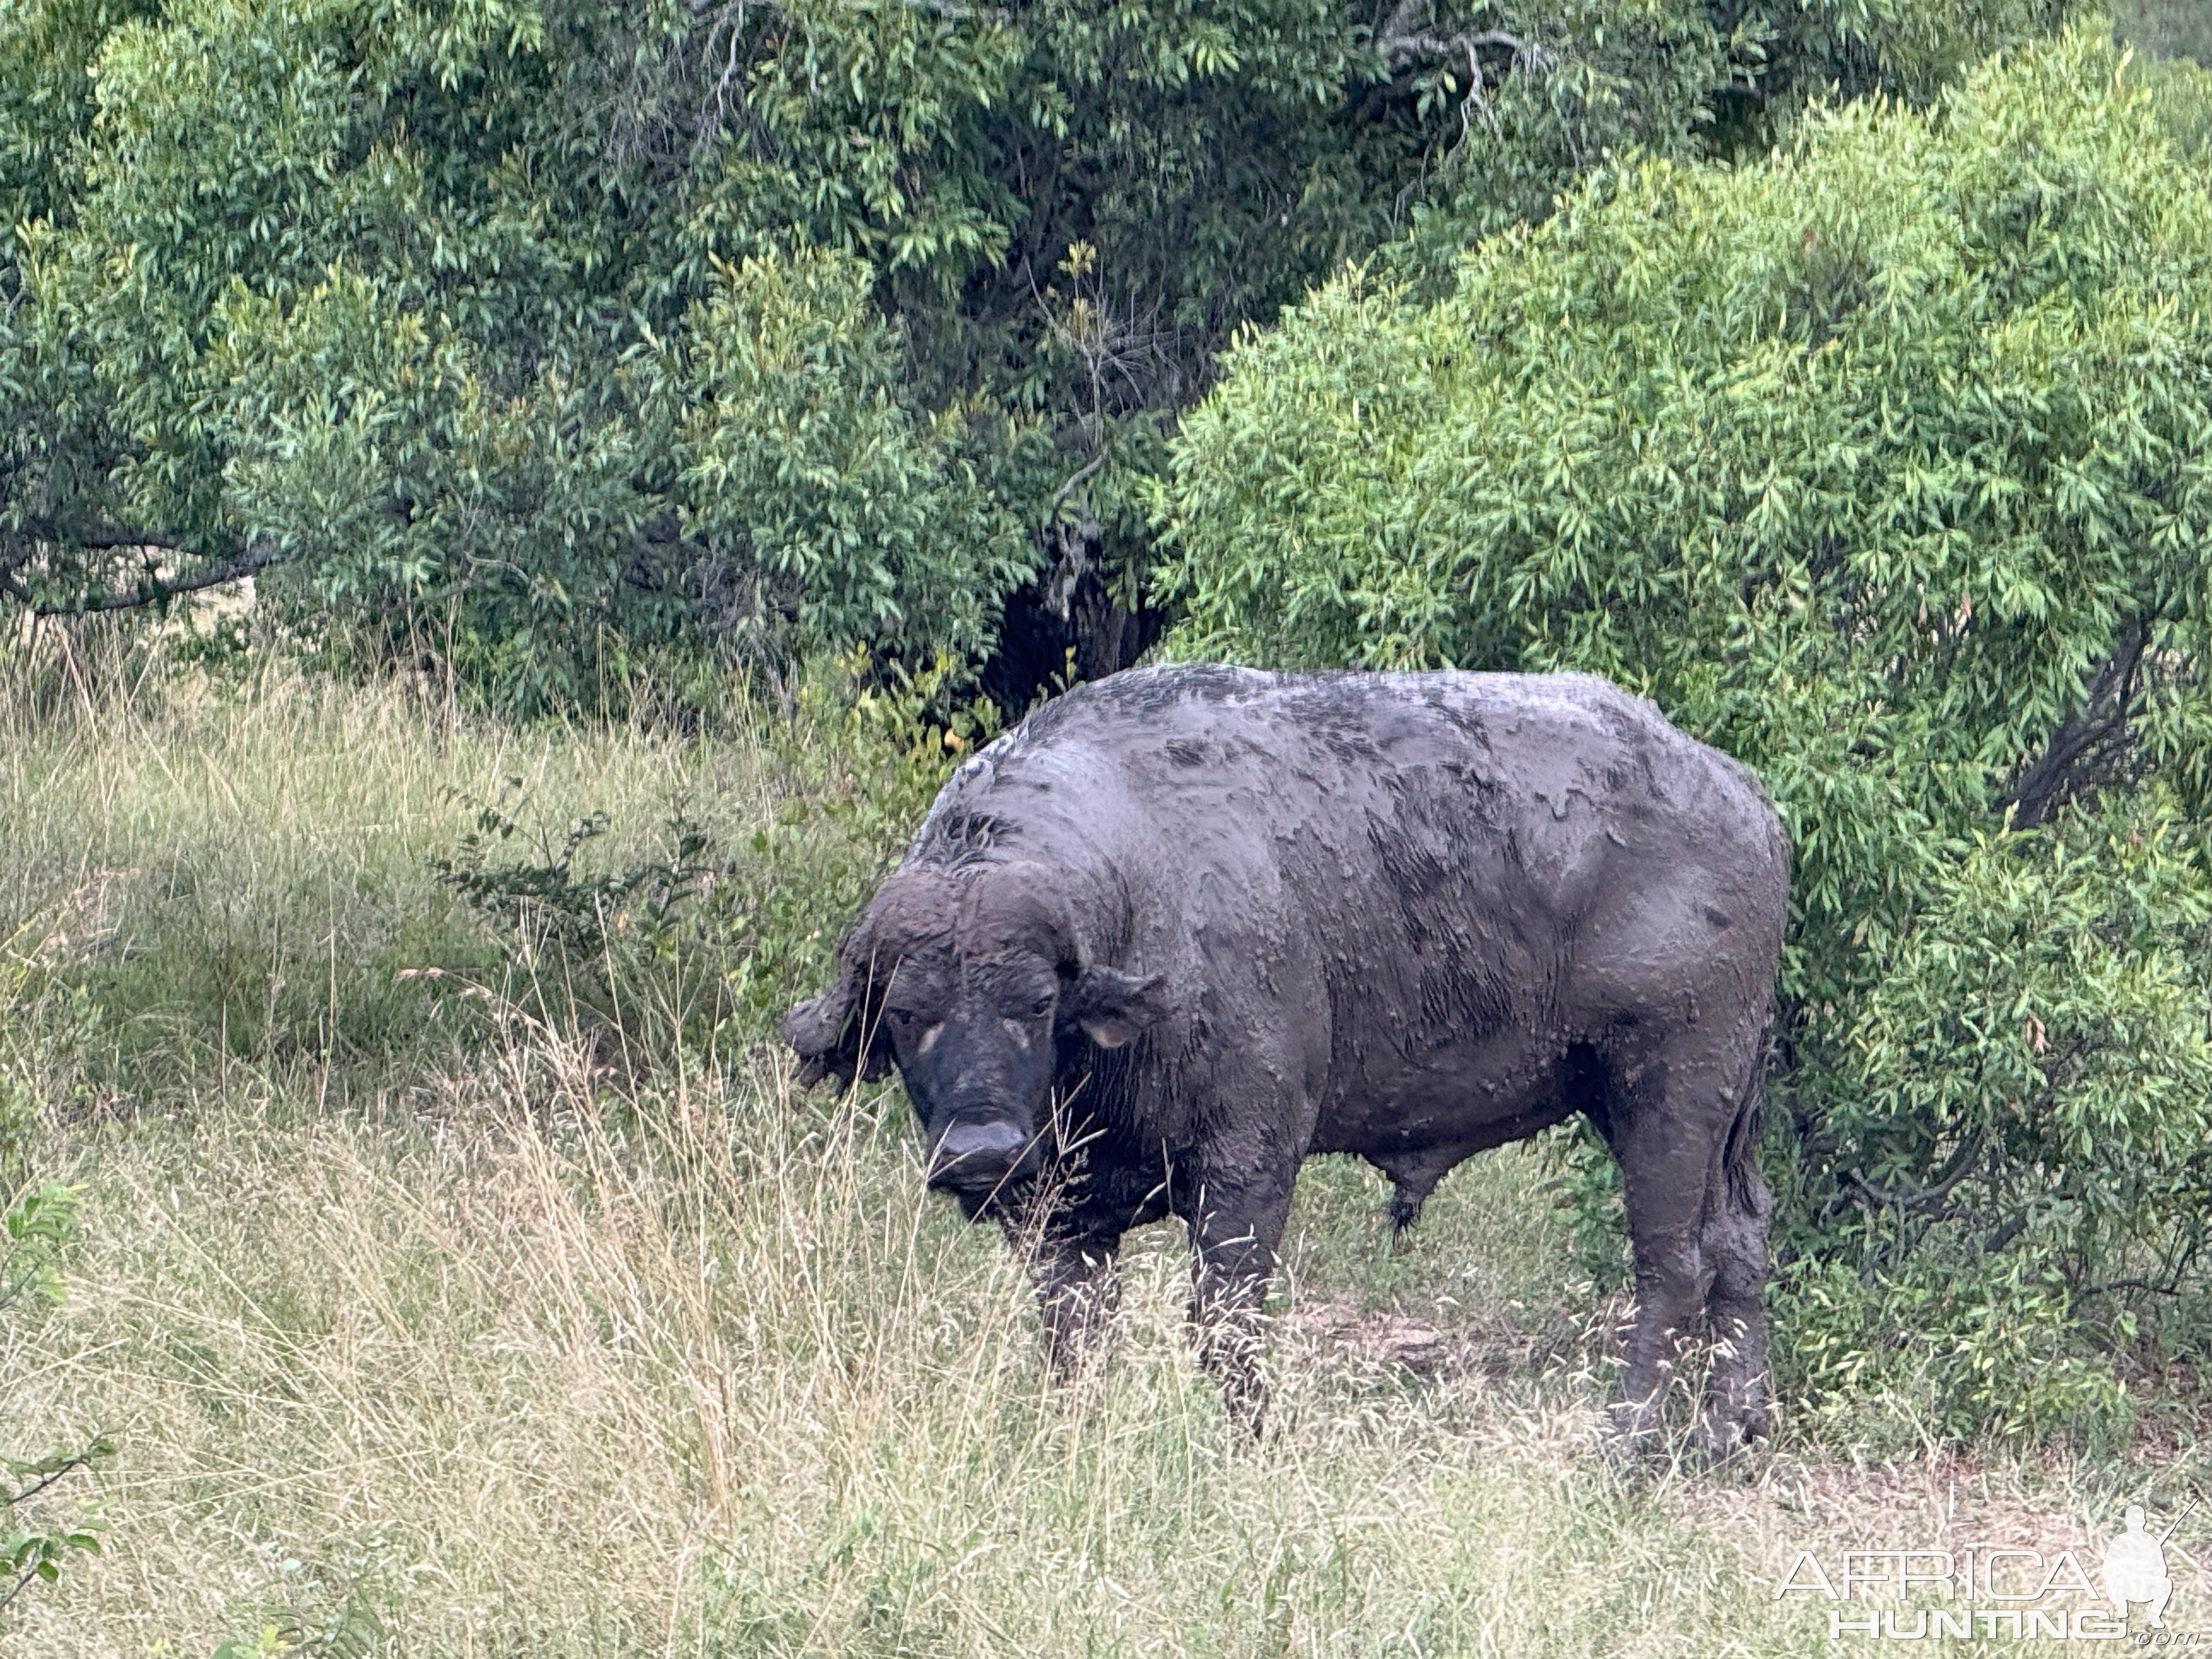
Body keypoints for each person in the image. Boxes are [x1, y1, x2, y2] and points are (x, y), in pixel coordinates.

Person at [2103, 1504, 2173, 1628]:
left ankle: (2154, 1615)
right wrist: (2127, 1568)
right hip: (2124, 1588)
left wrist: (2147, 1570)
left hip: (2144, 1588)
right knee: (2110, 1582)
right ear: (2126, 1522)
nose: (2135, 1524)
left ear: (2144, 1522)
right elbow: (2107, 1569)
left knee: (2166, 1583)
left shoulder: (2151, 1542)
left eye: (2139, 1520)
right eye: (2132, 1521)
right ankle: (2122, 1607)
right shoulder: (2119, 1541)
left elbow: (2162, 1570)